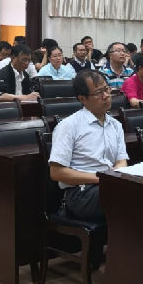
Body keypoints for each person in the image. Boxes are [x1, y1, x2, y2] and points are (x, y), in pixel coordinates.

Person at [49, 70, 128, 228]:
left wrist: (114, 175)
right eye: (99, 93)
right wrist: (102, 178)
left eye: (107, 89)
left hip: (108, 185)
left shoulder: (115, 125)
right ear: (82, 99)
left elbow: (121, 161)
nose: (106, 96)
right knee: (128, 196)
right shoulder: (69, 126)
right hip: (81, 193)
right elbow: (57, 172)